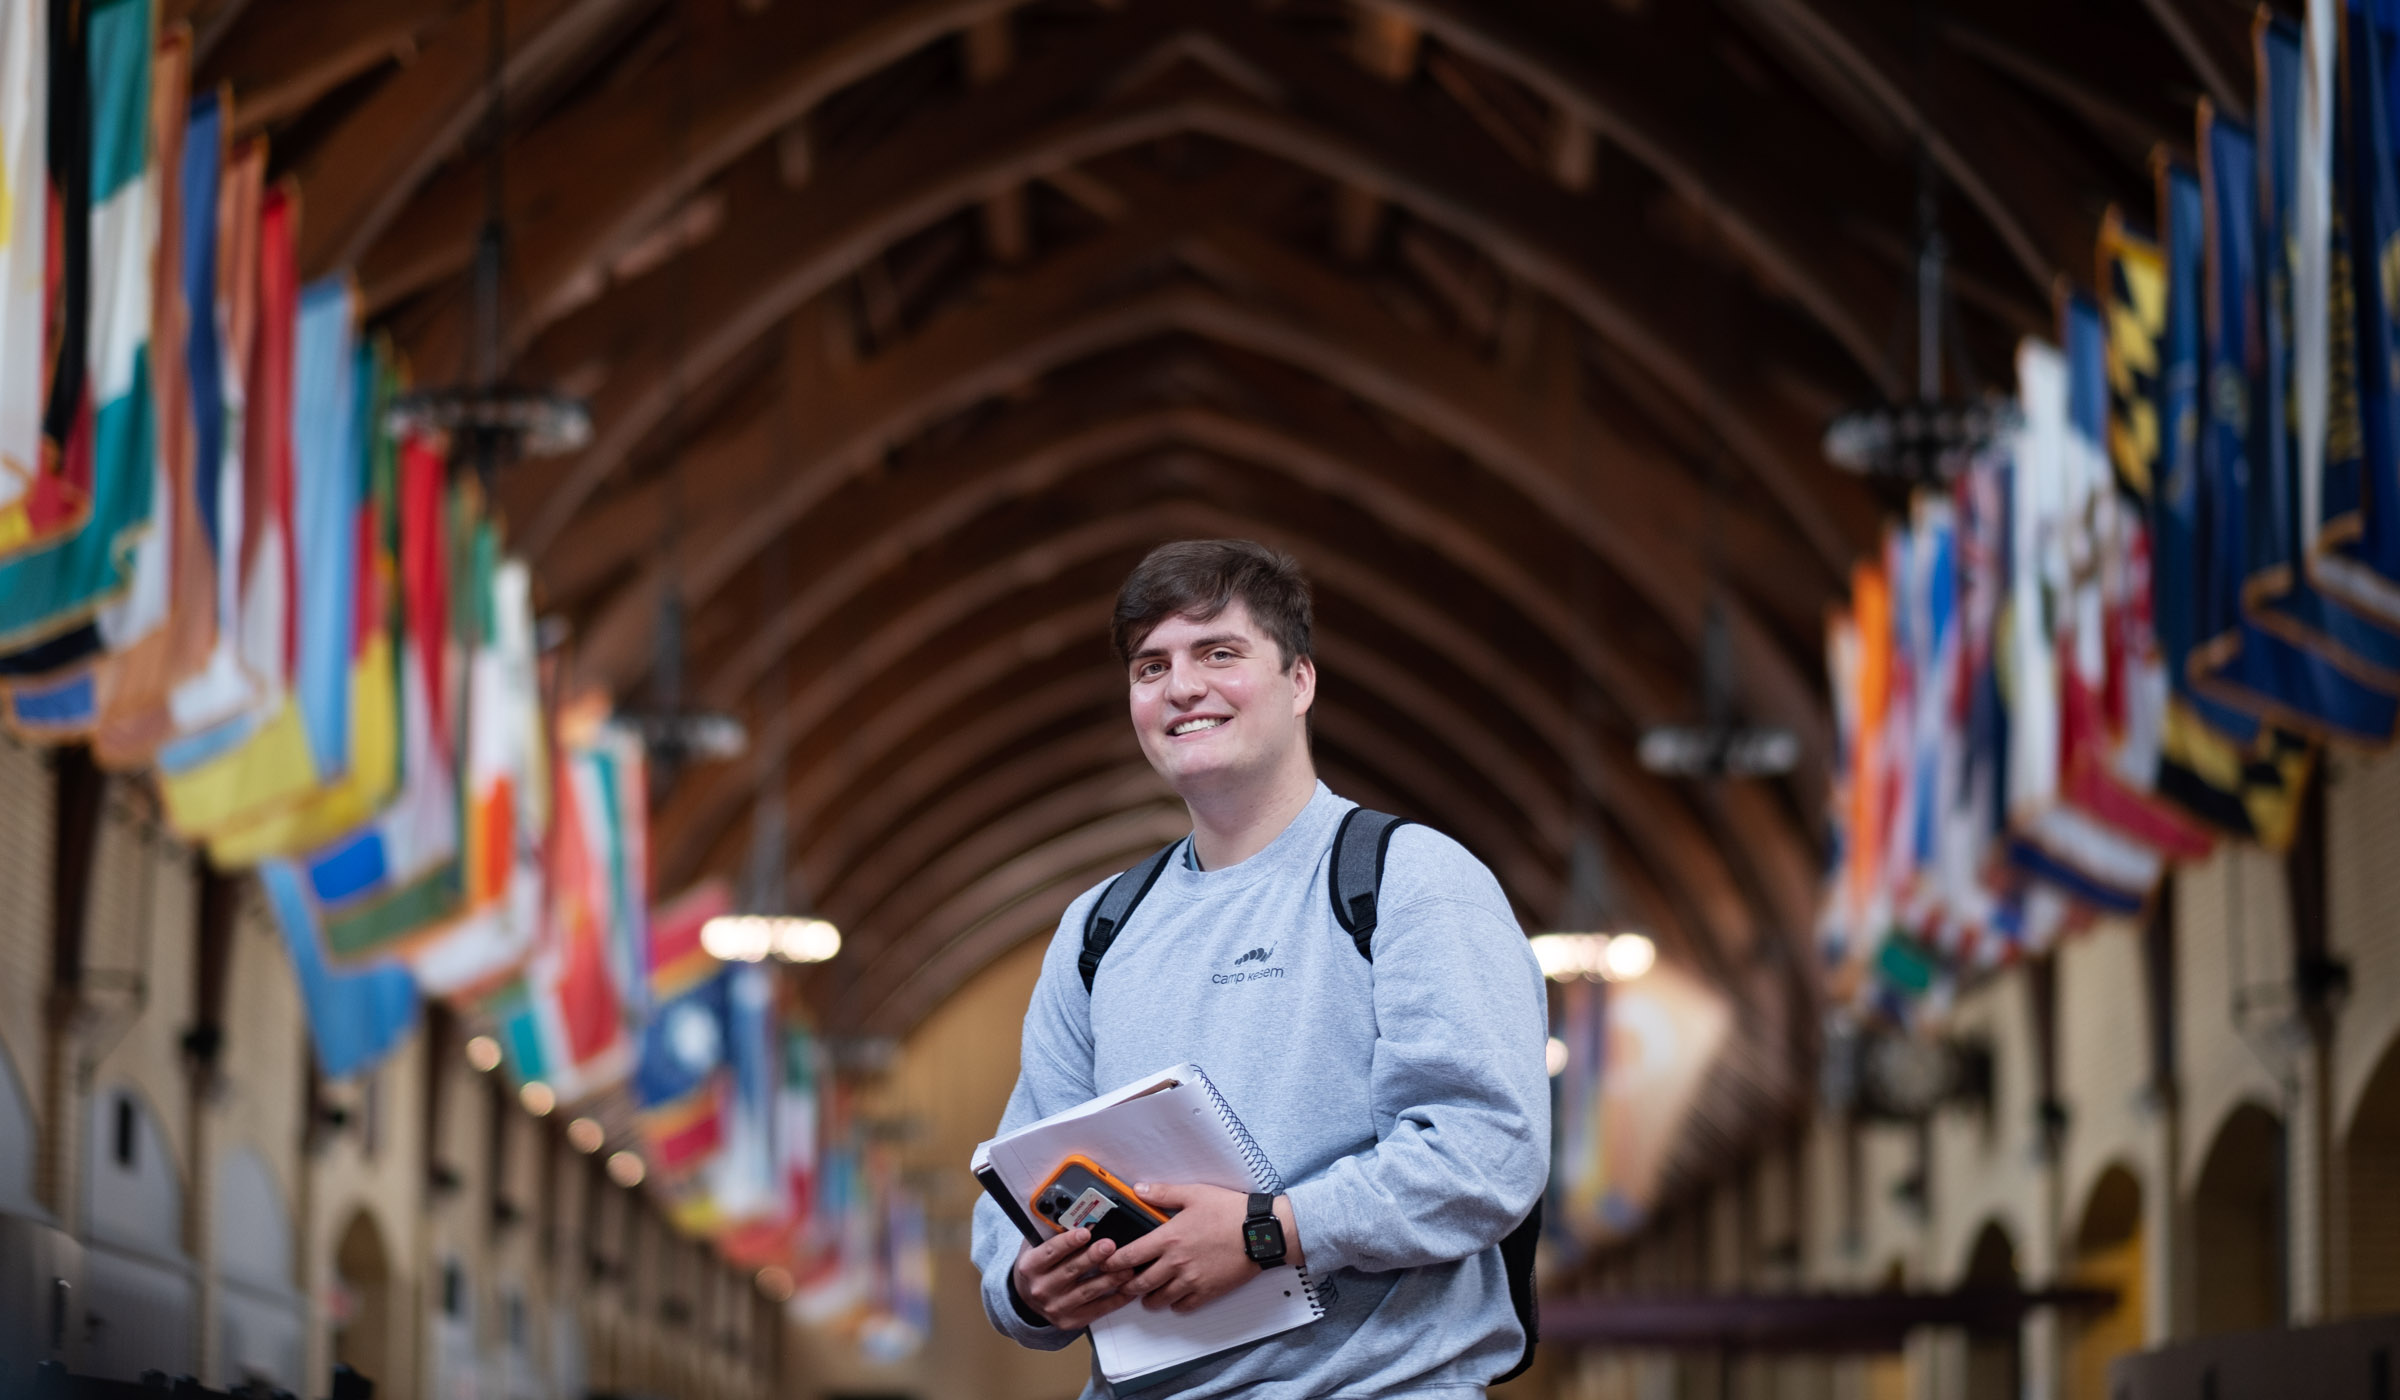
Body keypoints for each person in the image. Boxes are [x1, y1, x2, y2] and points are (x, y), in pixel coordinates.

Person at [970, 539, 1550, 1398]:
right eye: (1150, 666)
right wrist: (1026, 1285)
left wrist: (1268, 1232)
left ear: (1300, 682)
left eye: (1219, 653)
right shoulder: (1097, 928)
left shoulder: (1411, 880)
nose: (1182, 687)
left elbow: (1487, 1150)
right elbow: (1021, 1177)